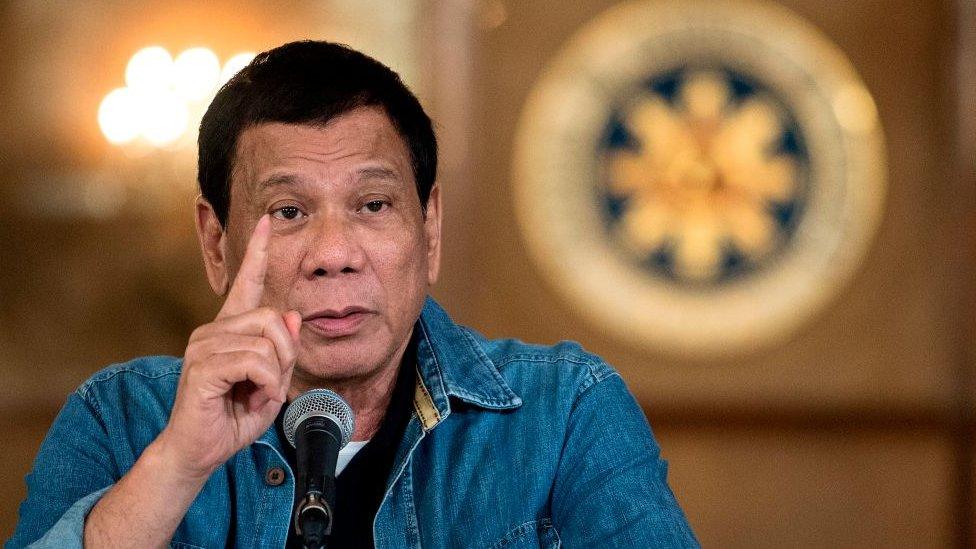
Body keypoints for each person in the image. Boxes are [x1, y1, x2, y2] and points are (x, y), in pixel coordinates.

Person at [8, 40, 698, 548]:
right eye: (288, 212)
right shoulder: (120, 420)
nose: (334, 256)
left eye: (373, 205)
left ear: (428, 229)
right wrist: (179, 462)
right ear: (217, 243)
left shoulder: (564, 413)